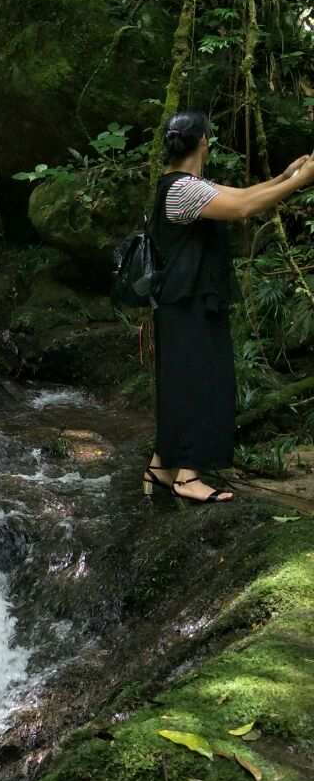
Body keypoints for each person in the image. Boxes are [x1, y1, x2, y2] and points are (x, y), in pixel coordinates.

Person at [143, 110, 314, 503]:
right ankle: (188, 477)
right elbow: (242, 209)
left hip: (185, 302)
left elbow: (241, 196)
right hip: (187, 303)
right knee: (201, 384)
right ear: (204, 141)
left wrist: (285, 178)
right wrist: (301, 181)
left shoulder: (186, 185)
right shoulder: (184, 190)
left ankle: (161, 468)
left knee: (183, 383)